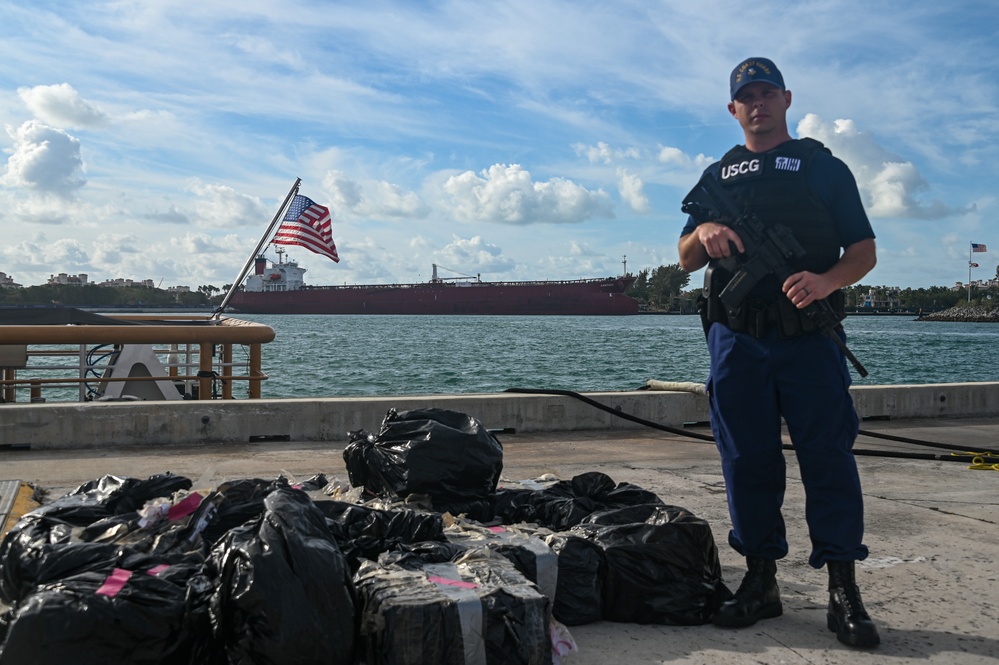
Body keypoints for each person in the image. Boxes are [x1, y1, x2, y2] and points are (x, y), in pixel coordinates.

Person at [677, 57, 880, 648]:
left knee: (828, 457)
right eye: (748, 96)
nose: (758, 103)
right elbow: (686, 256)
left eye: (768, 93)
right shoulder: (718, 175)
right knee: (746, 459)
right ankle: (760, 581)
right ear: (733, 109)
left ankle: (843, 586)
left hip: (807, 338)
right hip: (736, 338)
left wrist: (825, 281)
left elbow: (863, 250)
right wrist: (704, 235)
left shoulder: (823, 168)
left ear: (786, 99)